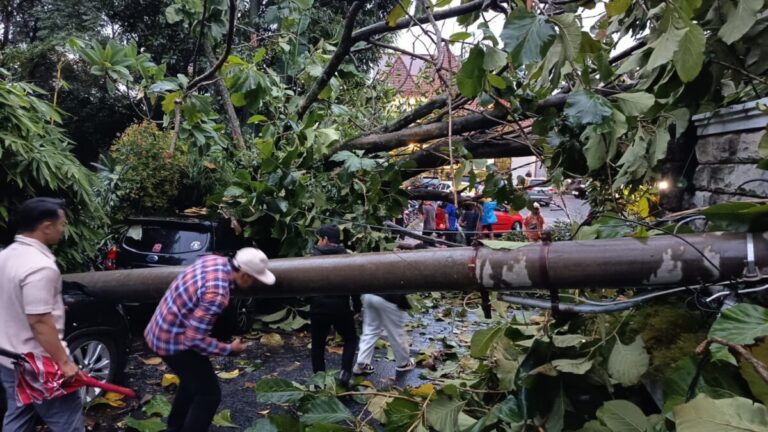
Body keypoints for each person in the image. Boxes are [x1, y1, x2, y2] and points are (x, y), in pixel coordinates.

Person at [144, 247, 275, 432]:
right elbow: (194, 339)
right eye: (255, 279)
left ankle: (174, 427)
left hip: (158, 330)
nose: (254, 284)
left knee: (191, 383)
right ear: (245, 275)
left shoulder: (213, 260)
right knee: (209, 394)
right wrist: (229, 349)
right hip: (173, 342)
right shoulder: (217, 295)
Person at [0, 198, 84, 431]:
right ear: (47, 226)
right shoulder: (40, 266)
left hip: (8, 359)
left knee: (18, 416)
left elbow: (11, 300)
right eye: (62, 224)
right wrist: (65, 364)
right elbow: (38, 321)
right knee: (68, 422)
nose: (63, 230)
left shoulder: (6, 255)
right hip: (40, 365)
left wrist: (53, 309)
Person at [308, 225, 360, 386]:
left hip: (318, 308)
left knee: (317, 344)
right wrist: (357, 308)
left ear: (325, 239)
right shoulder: (346, 258)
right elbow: (354, 286)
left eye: (319, 238)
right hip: (340, 308)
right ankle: (345, 372)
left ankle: (319, 378)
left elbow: (304, 284)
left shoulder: (312, 258)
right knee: (351, 339)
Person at [352, 292, 415, 376]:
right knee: (395, 332)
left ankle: (361, 363)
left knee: (370, 330)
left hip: (369, 295)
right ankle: (403, 363)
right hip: (390, 298)